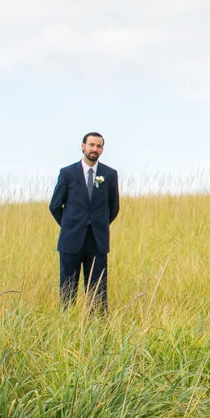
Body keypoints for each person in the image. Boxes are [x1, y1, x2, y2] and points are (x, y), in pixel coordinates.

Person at [49, 132, 120, 312]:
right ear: (83, 147)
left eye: (98, 146)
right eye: (91, 145)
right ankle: (67, 328)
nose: (94, 149)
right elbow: (55, 206)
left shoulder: (109, 175)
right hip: (71, 241)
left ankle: (97, 330)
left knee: (98, 293)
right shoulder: (67, 173)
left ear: (102, 150)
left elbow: (114, 208)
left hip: (97, 242)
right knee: (67, 292)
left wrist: (98, 224)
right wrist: (70, 225)